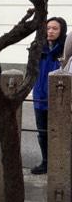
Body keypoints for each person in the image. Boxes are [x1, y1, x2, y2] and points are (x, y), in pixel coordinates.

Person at [31, 16, 67, 174]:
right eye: (48, 28)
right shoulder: (38, 47)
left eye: (55, 28)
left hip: (59, 99)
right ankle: (46, 163)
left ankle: (61, 164)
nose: (50, 31)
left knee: (61, 132)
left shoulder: (66, 49)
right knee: (42, 133)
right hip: (40, 98)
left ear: (62, 31)